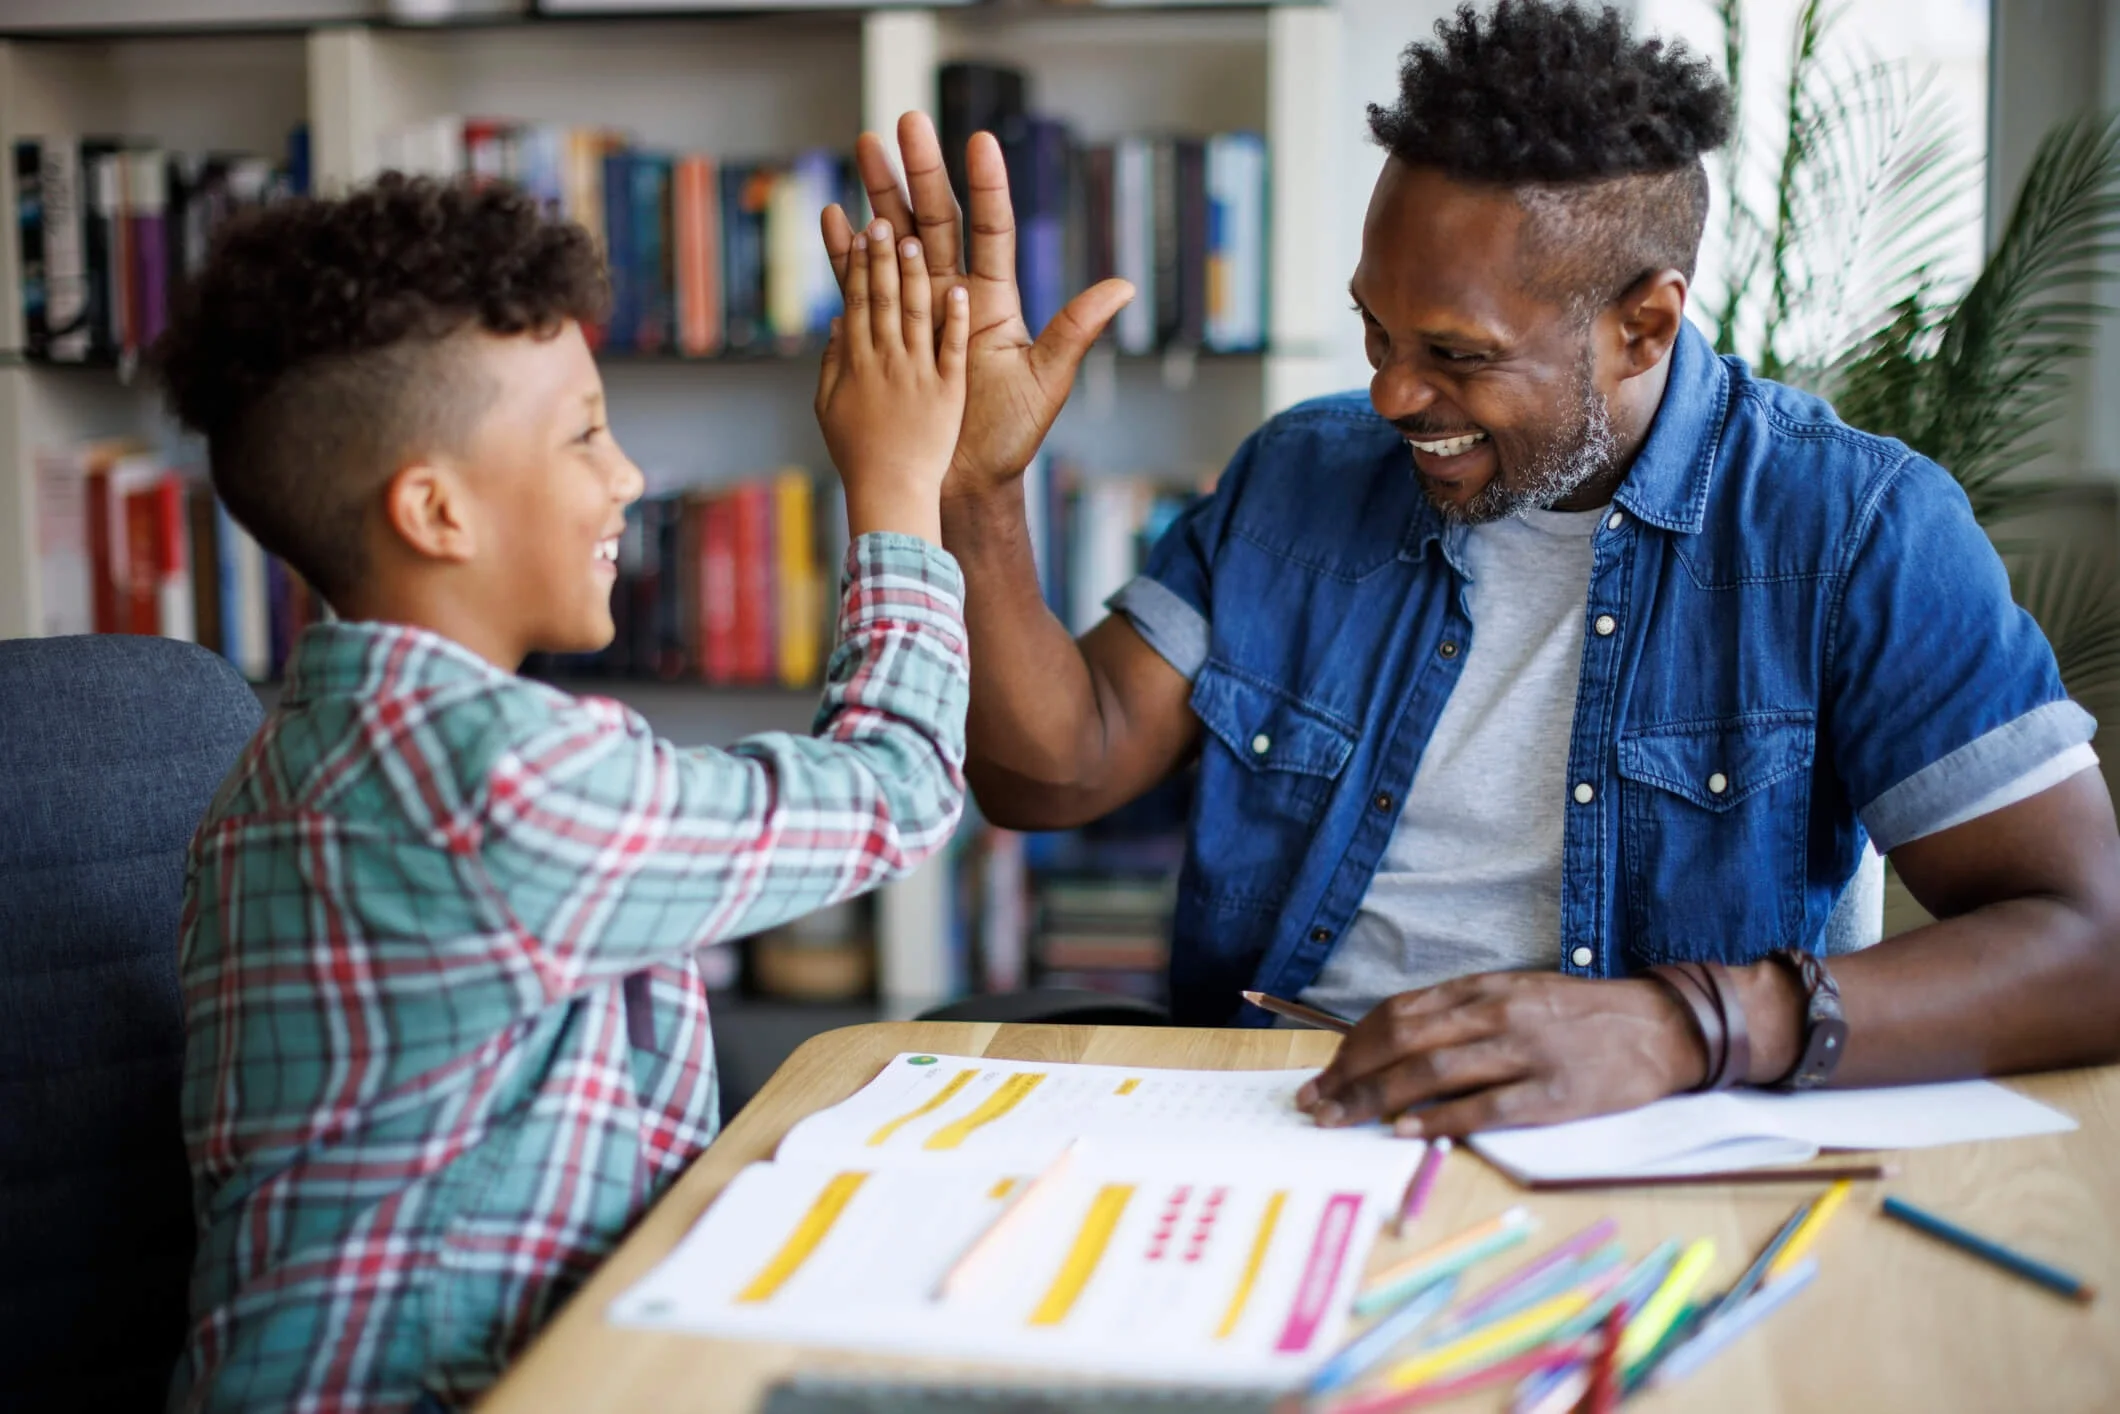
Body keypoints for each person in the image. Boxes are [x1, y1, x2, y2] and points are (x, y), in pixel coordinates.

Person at [822, 0, 2120, 1140]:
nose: (1391, 391)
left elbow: (2088, 943)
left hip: (1647, 1140)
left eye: (1456, 354)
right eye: (1375, 328)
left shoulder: (1854, 529)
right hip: (1275, 1115)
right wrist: (975, 491)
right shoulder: (1304, 476)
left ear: (1643, 323)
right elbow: (1055, 769)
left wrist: (1678, 1026)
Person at [157, 177, 971, 1411]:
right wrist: (901, 487)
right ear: (435, 510)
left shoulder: (283, 764)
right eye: (585, 432)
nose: (629, 475)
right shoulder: (496, 779)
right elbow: (898, 790)